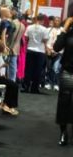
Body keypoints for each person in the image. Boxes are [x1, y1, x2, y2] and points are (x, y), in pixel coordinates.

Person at [53, 16, 73, 145]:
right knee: (64, 103)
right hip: (67, 72)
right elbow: (56, 47)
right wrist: (65, 28)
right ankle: (63, 132)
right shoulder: (68, 33)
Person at [24, 15, 50, 93]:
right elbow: (45, 40)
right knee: (38, 70)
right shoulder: (44, 29)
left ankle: (26, 86)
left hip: (30, 49)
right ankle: (34, 88)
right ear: (42, 20)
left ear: (36, 19)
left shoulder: (29, 27)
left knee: (28, 69)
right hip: (40, 50)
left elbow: (26, 37)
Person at [45, 16, 63, 90]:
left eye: (58, 20)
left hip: (58, 52)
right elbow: (45, 40)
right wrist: (47, 49)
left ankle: (56, 83)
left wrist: (57, 51)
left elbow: (63, 42)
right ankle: (48, 83)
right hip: (49, 51)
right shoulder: (48, 30)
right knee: (49, 68)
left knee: (56, 68)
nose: (56, 22)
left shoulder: (62, 30)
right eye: (55, 20)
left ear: (60, 22)